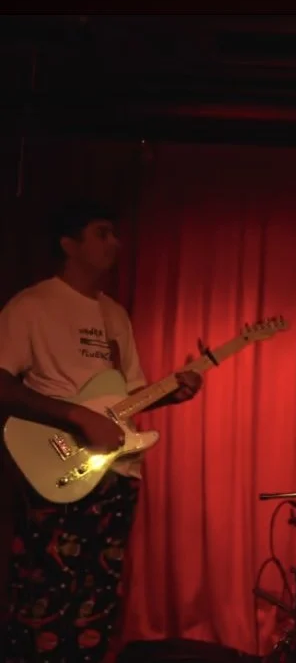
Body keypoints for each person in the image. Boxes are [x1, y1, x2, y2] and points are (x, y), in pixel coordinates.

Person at [0, 200, 203, 662]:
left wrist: (171, 392)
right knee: (44, 597)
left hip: (117, 471)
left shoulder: (115, 315)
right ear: (69, 244)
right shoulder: (32, 305)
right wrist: (76, 417)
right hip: (56, 468)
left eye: (115, 233)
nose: (115, 243)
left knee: (98, 604)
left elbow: (127, 396)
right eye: (102, 233)